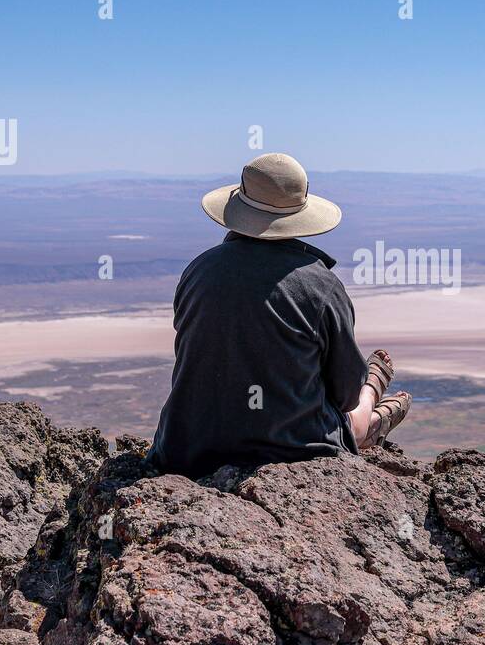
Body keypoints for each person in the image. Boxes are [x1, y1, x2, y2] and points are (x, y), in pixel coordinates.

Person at [146, 152, 411, 478]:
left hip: (186, 448)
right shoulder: (320, 285)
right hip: (291, 451)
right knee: (352, 408)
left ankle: (369, 396)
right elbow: (343, 394)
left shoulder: (198, 270)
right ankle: (369, 410)